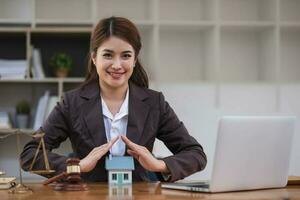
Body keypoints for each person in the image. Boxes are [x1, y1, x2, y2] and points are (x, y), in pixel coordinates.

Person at [21, 16, 207, 182]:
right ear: (94, 57)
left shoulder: (154, 103)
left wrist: (158, 165)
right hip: (87, 195)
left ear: (135, 59)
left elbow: (196, 154)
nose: (117, 65)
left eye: (126, 56)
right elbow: (30, 154)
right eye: (108, 55)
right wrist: (77, 165)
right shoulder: (72, 103)